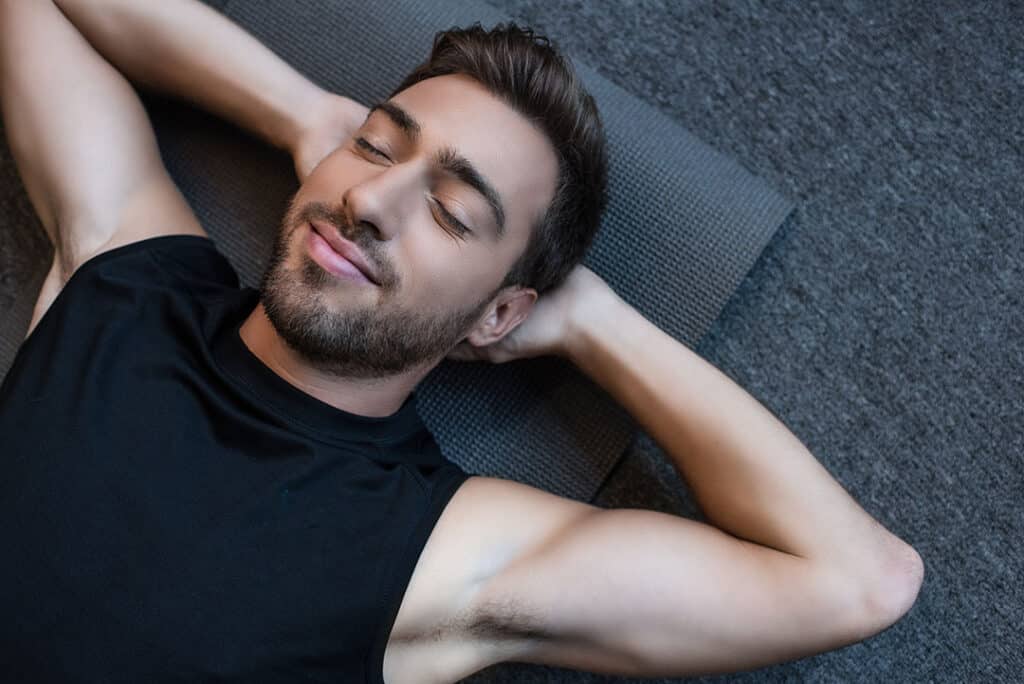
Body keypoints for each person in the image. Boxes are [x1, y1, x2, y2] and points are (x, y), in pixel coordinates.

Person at [0, 1, 923, 682]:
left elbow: (856, 580)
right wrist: (298, 111)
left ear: (500, 313)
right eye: (374, 148)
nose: (369, 202)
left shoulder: (441, 547)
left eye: (449, 211)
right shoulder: (131, 270)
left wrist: (595, 325)